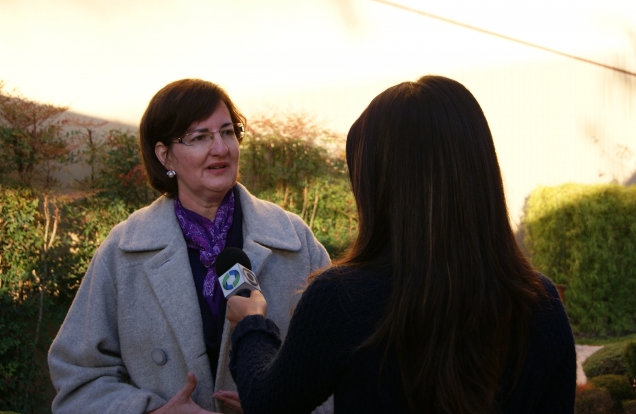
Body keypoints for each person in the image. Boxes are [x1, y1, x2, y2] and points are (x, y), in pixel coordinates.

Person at [225, 75, 577, 414]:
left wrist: (251, 324)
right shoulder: (541, 303)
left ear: (380, 187)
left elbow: (267, 402)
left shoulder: (342, 299)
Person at [48, 79, 333, 414]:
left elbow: (340, 367)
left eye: (228, 132)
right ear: (165, 155)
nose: (221, 148)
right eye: (200, 137)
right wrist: (153, 412)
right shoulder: (123, 251)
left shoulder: (295, 241)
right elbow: (79, 378)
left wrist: (276, 406)